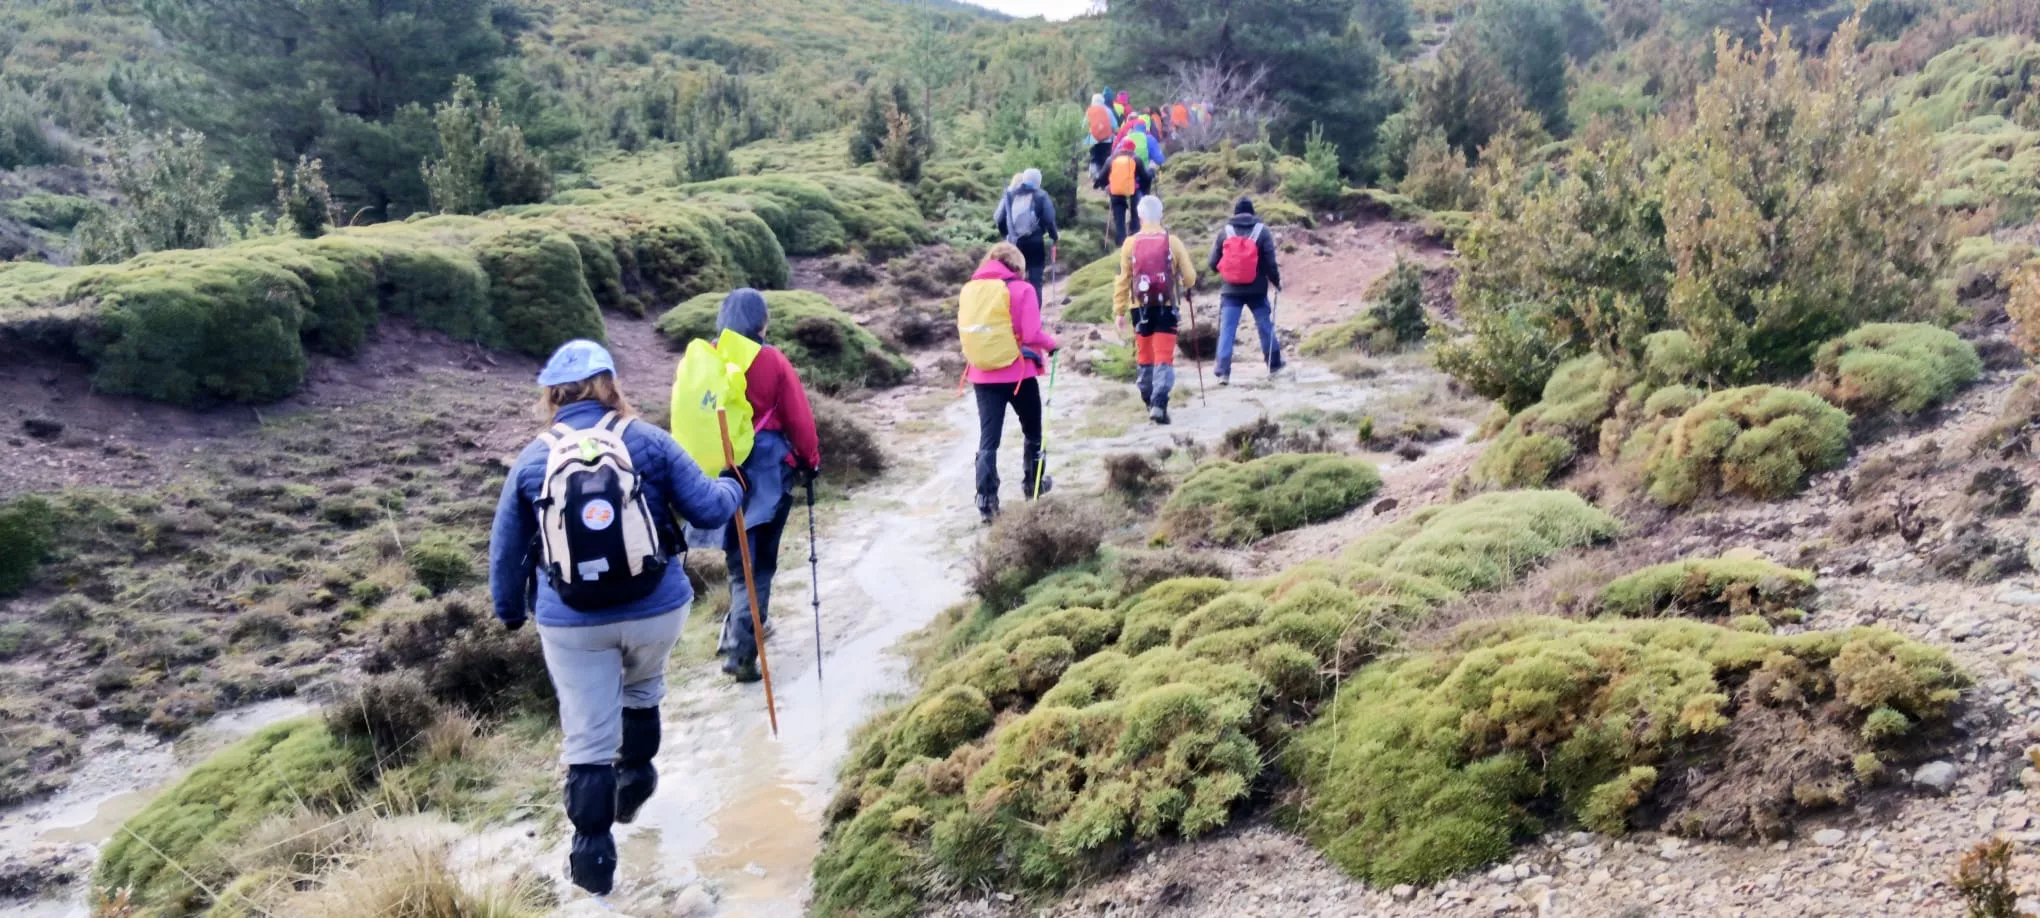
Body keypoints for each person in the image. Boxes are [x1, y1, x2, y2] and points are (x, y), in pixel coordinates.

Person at [490, 340, 744, 897]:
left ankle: (594, 868)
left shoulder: (533, 460)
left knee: (586, 734)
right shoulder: (648, 441)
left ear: (552, 395)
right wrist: (732, 484)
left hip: (571, 621)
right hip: (657, 608)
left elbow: (507, 551)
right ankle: (635, 781)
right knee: (644, 687)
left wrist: (510, 613)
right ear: (610, 384)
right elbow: (707, 508)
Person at [704, 289, 822, 685]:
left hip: (719, 471)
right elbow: (798, 417)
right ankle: (742, 651)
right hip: (768, 470)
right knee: (760, 564)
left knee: (739, 560)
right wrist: (811, 460)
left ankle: (741, 629)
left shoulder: (710, 355)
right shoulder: (769, 358)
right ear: (761, 322)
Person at [959, 242, 1060, 522]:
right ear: (1017, 266)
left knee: (989, 439)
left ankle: (986, 500)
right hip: (1019, 374)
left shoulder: (972, 289)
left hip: (982, 374)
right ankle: (1034, 484)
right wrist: (1054, 343)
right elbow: (1031, 334)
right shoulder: (1022, 289)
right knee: (1033, 430)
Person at [1113, 195, 1198, 425]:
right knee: (1163, 356)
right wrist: (1182, 284)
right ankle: (1159, 403)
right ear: (1161, 215)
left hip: (1138, 309)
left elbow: (1123, 280)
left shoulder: (1130, 244)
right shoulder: (1173, 241)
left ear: (1139, 217)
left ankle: (1148, 399)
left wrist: (1119, 311)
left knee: (1144, 355)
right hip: (1166, 306)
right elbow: (1189, 277)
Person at [1209, 197, 1286, 385]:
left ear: (1235, 213)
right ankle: (1274, 364)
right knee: (1264, 325)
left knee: (1228, 329)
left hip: (1230, 290)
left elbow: (1212, 263)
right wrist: (1276, 282)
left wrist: (1227, 271)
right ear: (1252, 212)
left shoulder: (1225, 232)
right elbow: (1270, 263)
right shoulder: (1262, 232)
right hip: (1257, 290)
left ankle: (1223, 371)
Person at [992, 169, 1060, 301]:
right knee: (1035, 281)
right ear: (1038, 181)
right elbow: (1049, 219)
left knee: (1013, 280)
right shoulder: (1041, 195)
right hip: (1035, 243)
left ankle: (1014, 313)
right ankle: (1035, 316)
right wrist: (1054, 236)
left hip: (1014, 244)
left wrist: (1006, 234)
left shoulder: (1010, 194)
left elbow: (999, 219)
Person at [1106, 143, 1142, 245]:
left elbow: (1102, 175)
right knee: (1135, 213)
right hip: (1132, 190)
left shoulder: (1111, 159)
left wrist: (1106, 184)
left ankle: (1121, 242)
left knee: (1119, 218)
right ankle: (1135, 234)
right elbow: (1144, 175)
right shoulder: (1136, 159)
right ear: (1132, 149)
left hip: (1116, 192)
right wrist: (1151, 173)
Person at [1086, 93, 1118, 189]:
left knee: (1095, 159)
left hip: (1092, 140)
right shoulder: (1108, 110)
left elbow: (1083, 126)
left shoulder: (1089, 111)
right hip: (1107, 139)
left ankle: (1096, 179)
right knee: (1105, 160)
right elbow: (1115, 125)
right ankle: (1105, 181)